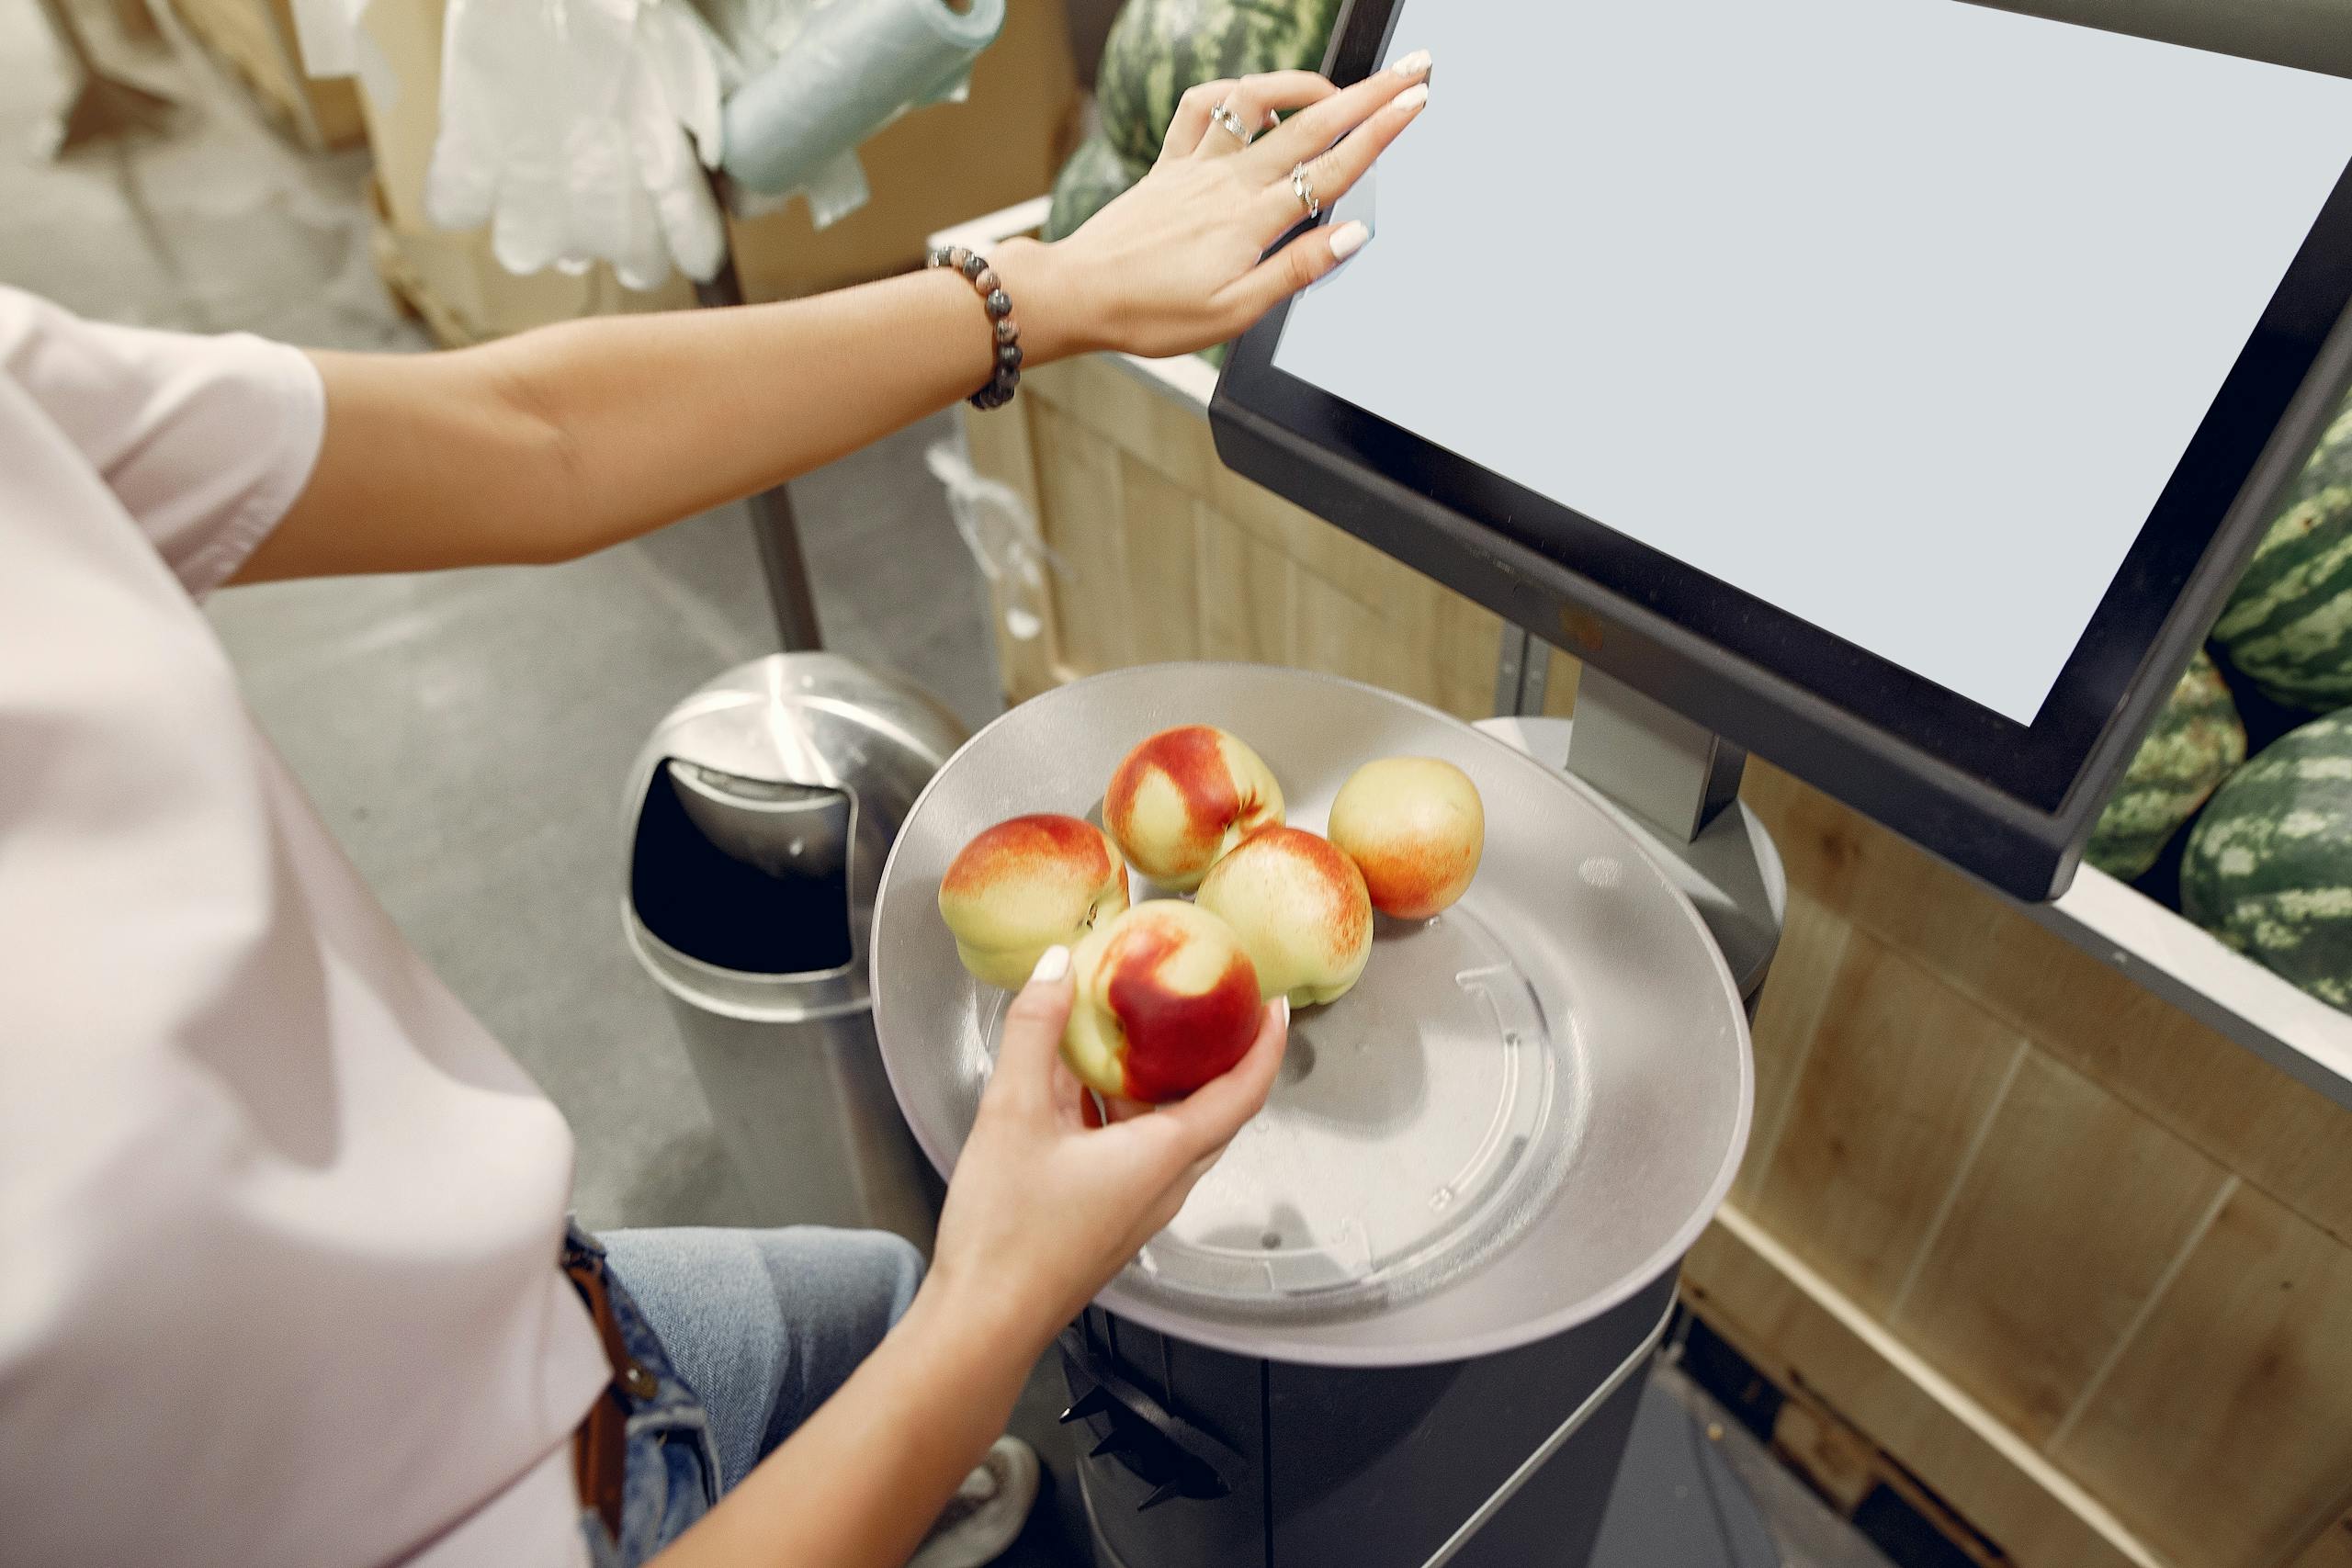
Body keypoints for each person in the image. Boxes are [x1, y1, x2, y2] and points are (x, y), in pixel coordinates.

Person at [0, 58, 1430, 1568]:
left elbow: (528, 435)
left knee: (869, 1306)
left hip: (565, 1316)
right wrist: (995, 1306)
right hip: (536, 1530)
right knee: (921, 1340)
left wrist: (1047, 289)